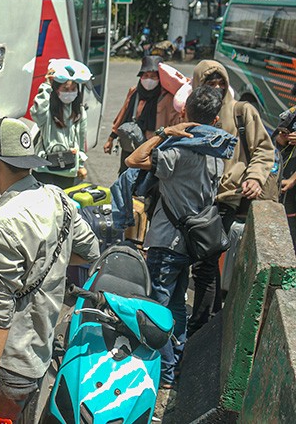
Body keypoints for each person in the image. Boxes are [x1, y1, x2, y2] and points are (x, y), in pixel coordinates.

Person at [0, 117, 100, 421]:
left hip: (7, 363)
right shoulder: (59, 198)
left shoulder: (0, 223)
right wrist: (54, 260)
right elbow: (90, 251)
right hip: (40, 350)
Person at [125, 86, 229, 388]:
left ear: (184, 114)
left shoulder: (179, 153)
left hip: (166, 241)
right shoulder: (216, 155)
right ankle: (177, 362)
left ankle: (166, 372)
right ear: (217, 118)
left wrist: (165, 131)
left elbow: (134, 159)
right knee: (177, 306)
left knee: (158, 307)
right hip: (189, 244)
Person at [188, 60, 275, 333]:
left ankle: (200, 326)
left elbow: (263, 149)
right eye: (209, 83)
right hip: (197, 198)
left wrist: (254, 177)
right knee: (205, 262)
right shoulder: (193, 111)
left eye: (220, 83)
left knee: (205, 262)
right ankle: (212, 319)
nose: (216, 88)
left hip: (228, 197)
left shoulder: (242, 112)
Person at [104, 55, 180, 174]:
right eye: (145, 76)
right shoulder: (135, 91)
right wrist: (111, 138)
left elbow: (175, 121)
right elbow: (123, 114)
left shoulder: (167, 97)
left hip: (154, 146)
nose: (149, 80)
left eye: (153, 76)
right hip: (131, 143)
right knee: (125, 175)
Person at [30, 58, 90, 189]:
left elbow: (80, 139)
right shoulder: (48, 109)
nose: (69, 93)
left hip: (67, 170)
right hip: (43, 168)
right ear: (57, 90)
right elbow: (37, 113)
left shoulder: (79, 112)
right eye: (65, 89)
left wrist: (80, 165)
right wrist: (46, 85)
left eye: (73, 89)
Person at [275, 105, 296, 251]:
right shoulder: (291, 113)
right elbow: (276, 141)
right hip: (286, 191)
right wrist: (281, 138)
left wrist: (293, 179)